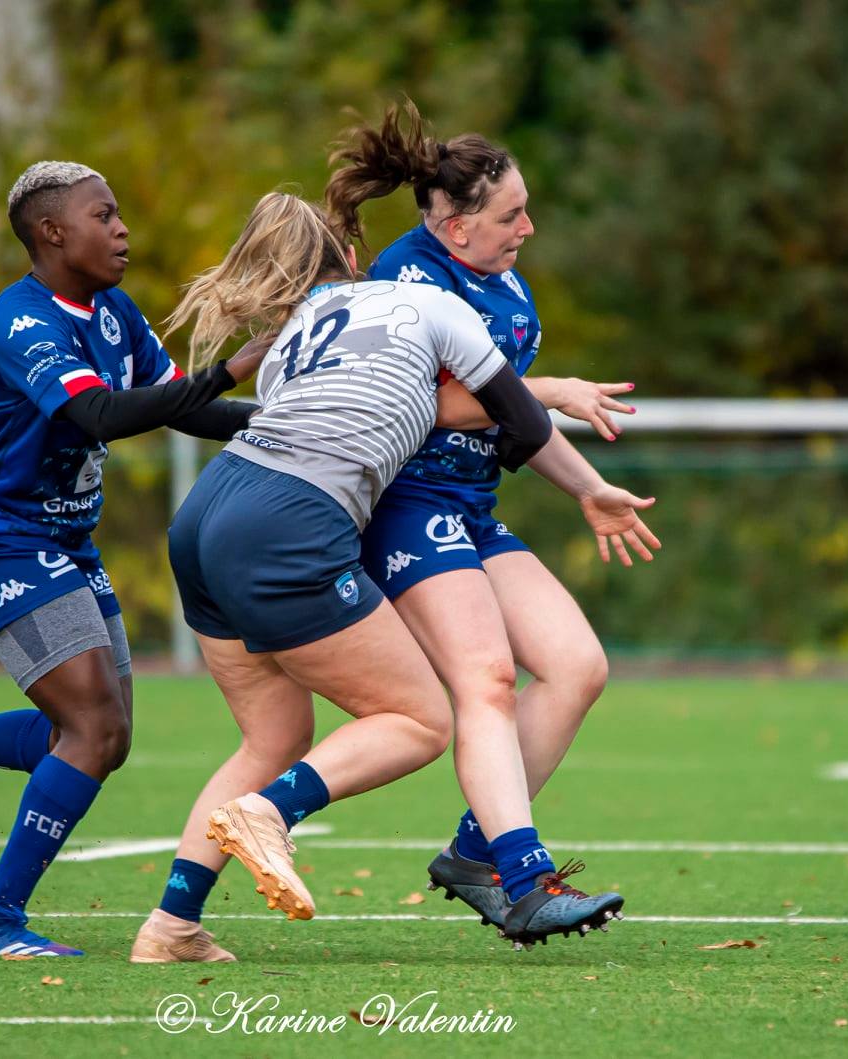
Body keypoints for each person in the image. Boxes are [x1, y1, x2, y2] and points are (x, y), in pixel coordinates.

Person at [127, 190, 656, 963]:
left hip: (207, 511)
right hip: (290, 519)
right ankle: (270, 812)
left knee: (272, 737)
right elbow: (516, 415)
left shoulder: (293, 335)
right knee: (418, 719)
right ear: (354, 259)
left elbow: (234, 417)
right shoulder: (431, 303)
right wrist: (559, 428)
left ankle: (171, 925)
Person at [0, 161, 263, 959]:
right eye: (105, 215)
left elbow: (184, 406)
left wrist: (281, 416)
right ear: (52, 232)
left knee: (104, 733)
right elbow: (97, 413)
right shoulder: (21, 318)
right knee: (92, 727)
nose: (122, 229)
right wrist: (230, 369)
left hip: (62, 541)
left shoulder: (114, 311)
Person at [319, 102, 659, 936]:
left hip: (468, 507)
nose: (528, 228)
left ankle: (475, 853)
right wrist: (554, 389)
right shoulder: (406, 280)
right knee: (487, 680)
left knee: (578, 665)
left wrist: (587, 489)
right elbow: (434, 404)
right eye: (512, 215)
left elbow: (506, 419)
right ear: (457, 226)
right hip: (404, 507)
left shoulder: (507, 285)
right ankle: (524, 876)